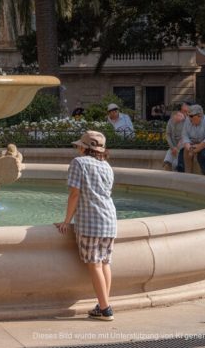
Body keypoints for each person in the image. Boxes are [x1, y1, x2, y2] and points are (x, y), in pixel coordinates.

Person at [55, 130, 117, 321]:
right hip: (109, 220)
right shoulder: (106, 166)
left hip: (90, 221)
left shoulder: (78, 163)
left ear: (84, 147)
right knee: (105, 263)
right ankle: (102, 305)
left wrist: (66, 221)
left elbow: (75, 194)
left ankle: (105, 309)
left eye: (80, 145)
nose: (78, 148)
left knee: (95, 265)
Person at [176, 104, 205, 175]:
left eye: (191, 116)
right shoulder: (188, 120)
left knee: (202, 155)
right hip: (195, 143)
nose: (189, 118)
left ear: (200, 115)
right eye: (188, 115)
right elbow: (185, 136)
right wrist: (189, 147)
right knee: (183, 151)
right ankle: (186, 175)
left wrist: (197, 148)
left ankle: (204, 174)